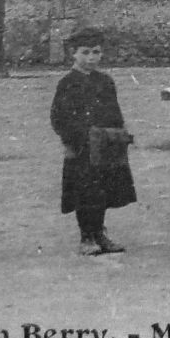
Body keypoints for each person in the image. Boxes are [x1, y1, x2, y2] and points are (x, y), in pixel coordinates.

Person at [50, 28, 137, 255]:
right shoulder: (68, 83)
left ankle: (99, 233)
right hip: (81, 148)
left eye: (96, 52)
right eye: (85, 52)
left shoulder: (105, 81)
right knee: (84, 192)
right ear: (73, 54)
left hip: (105, 145)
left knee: (103, 191)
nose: (91, 58)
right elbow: (59, 118)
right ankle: (86, 236)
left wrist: (118, 135)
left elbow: (114, 112)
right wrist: (77, 138)